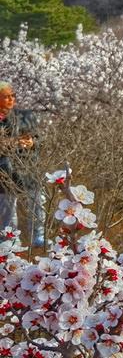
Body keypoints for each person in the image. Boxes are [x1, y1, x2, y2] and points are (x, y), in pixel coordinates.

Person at [0, 81, 45, 248]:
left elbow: (40, 139)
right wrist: (11, 143)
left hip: (28, 167)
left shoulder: (25, 116)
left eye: (13, 96)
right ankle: (10, 239)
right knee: (7, 206)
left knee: (37, 201)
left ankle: (38, 236)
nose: (11, 99)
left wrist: (32, 142)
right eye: (6, 96)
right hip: (4, 170)